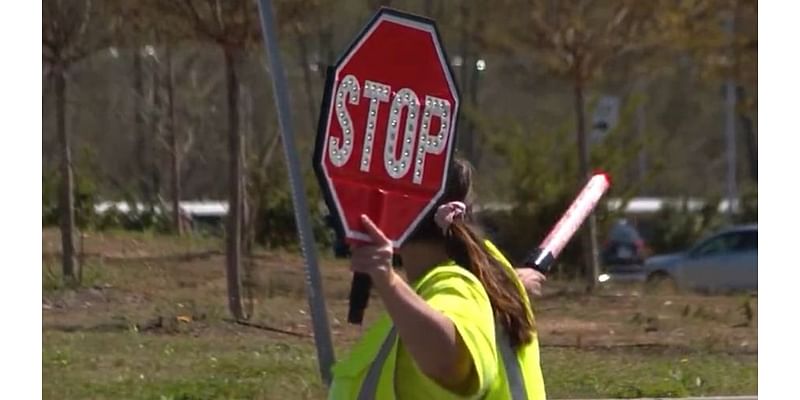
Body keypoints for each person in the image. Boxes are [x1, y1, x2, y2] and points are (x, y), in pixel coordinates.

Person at [329, 158, 546, 399]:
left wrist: (388, 281)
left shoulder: (454, 285)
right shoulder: (491, 270)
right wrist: (519, 282)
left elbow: (449, 363)